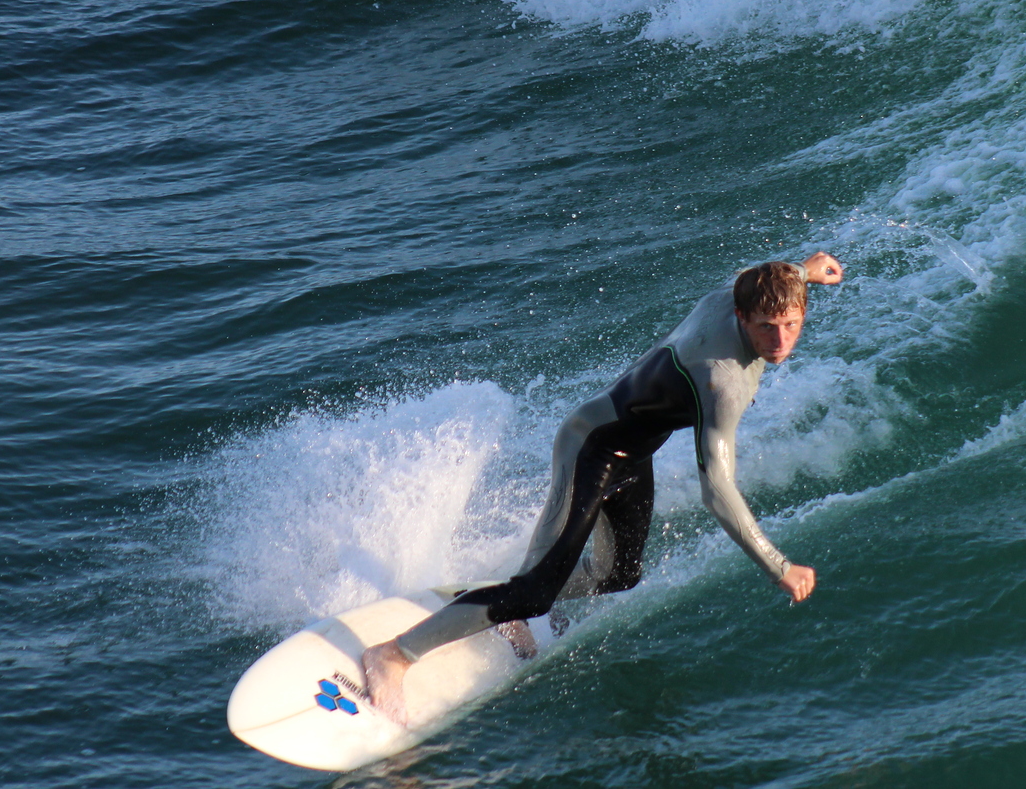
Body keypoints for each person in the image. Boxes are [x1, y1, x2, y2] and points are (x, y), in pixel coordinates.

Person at [361, 252, 845, 723]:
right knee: (536, 594)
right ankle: (395, 655)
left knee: (619, 575)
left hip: (633, 456)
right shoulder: (723, 381)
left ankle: (506, 601)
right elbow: (716, 489)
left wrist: (806, 270)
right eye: (766, 327)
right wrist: (778, 566)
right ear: (741, 316)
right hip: (589, 447)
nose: (780, 340)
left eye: (791, 325)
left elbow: (762, 275)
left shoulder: (739, 293)